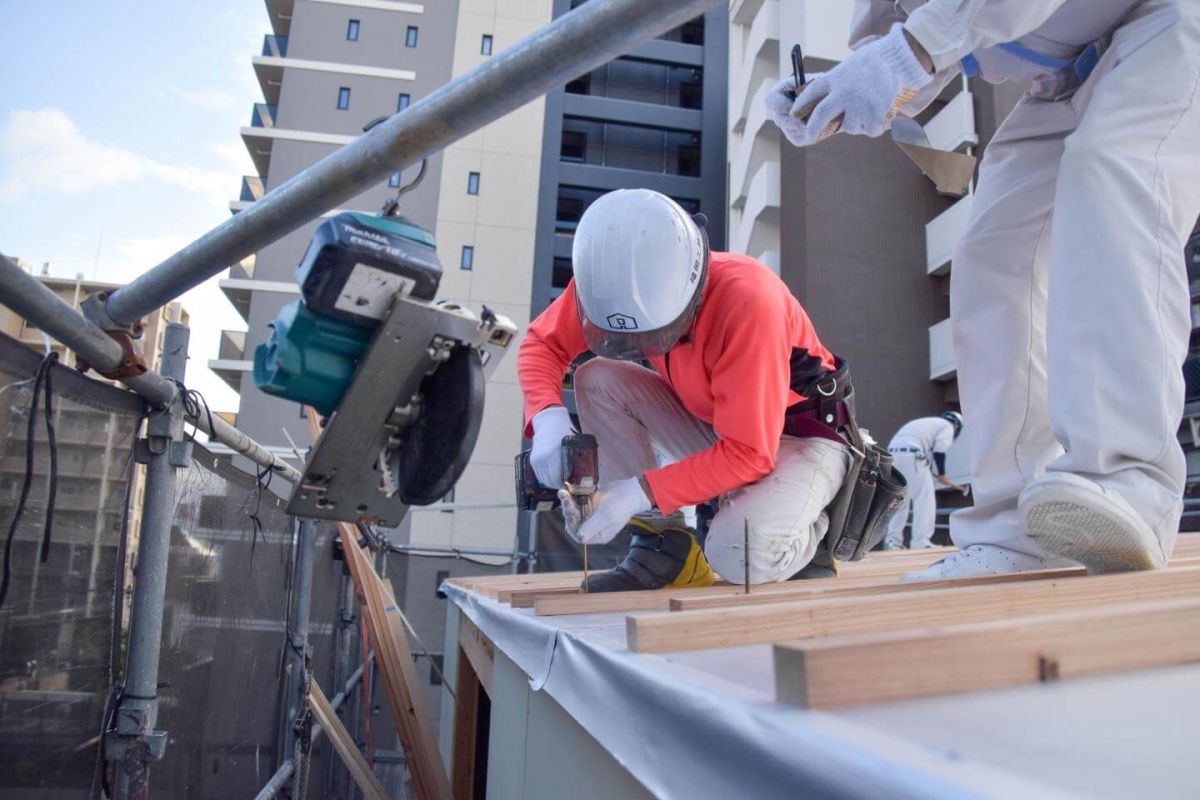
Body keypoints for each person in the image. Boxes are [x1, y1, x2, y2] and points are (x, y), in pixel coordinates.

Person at [767, 0, 1200, 579]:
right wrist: (833, 94)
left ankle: (1130, 480)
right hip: (1066, 74)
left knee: (1113, 170)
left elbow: (922, 45)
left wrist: (905, 54)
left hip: (1164, 21)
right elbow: (903, 58)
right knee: (990, 253)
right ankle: (1012, 528)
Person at [518, 189, 853, 592]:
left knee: (739, 554)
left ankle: (807, 527)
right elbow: (542, 344)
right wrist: (548, 417)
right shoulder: (614, 279)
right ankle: (663, 549)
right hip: (721, 428)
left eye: (656, 336)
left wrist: (641, 491)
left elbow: (750, 452)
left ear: (689, 295)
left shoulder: (749, 302)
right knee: (597, 379)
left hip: (799, 440)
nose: (645, 349)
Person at [883, 412, 968, 550]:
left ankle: (893, 542)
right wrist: (942, 474)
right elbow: (940, 451)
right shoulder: (948, 426)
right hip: (913, 455)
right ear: (957, 425)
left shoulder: (928, 423)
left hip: (893, 456)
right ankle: (920, 542)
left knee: (900, 501)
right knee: (924, 500)